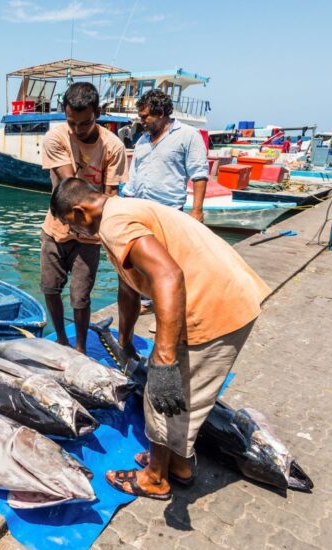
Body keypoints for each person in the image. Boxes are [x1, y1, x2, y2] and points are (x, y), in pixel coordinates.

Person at [49, 177, 271, 500]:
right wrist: (124, 342)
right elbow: (129, 288)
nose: (74, 234)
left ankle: (155, 477)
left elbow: (168, 275)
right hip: (228, 292)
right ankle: (176, 465)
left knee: (161, 392)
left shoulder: (114, 224)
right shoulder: (119, 213)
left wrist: (163, 359)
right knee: (180, 394)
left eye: (71, 226)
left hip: (212, 304)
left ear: (81, 213)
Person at [40, 81, 127, 352]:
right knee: (50, 288)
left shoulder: (113, 147)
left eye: (85, 123)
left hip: (90, 236)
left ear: (97, 113)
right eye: (72, 123)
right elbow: (70, 188)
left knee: (80, 297)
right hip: (55, 228)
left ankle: (79, 347)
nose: (78, 130)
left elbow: (111, 195)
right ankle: (62, 341)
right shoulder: (56, 137)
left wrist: (105, 232)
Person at [121, 89, 209, 222]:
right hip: (139, 210)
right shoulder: (142, 140)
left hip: (169, 213)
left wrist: (197, 211)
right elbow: (134, 175)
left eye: (145, 117)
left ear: (161, 113)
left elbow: (199, 174)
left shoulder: (188, 135)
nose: (141, 121)